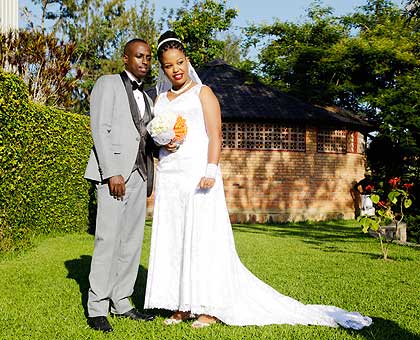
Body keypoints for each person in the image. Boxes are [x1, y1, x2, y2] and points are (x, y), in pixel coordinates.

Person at [144, 31, 372, 330]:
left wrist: (211, 170)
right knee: (175, 238)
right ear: (162, 68)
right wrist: (165, 142)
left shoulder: (204, 93)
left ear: (188, 61)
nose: (177, 69)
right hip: (172, 175)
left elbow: (216, 135)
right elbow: (158, 135)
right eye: (170, 65)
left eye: (181, 62)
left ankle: (208, 306)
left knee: (203, 239)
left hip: (199, 175)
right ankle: (179, 305)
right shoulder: (160, 99)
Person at [84, 38, 156, 332]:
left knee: (131, 242)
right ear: (125, 58)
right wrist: (111, 171)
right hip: (114, 175)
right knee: (107, 240)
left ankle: (122, 301)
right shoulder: (108, 83)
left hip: (140, 175)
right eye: (139, 56)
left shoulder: (149, 98)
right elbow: (100, 127)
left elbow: (145, 136)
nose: (144, 62)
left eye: (148, 58)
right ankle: (97, 307)